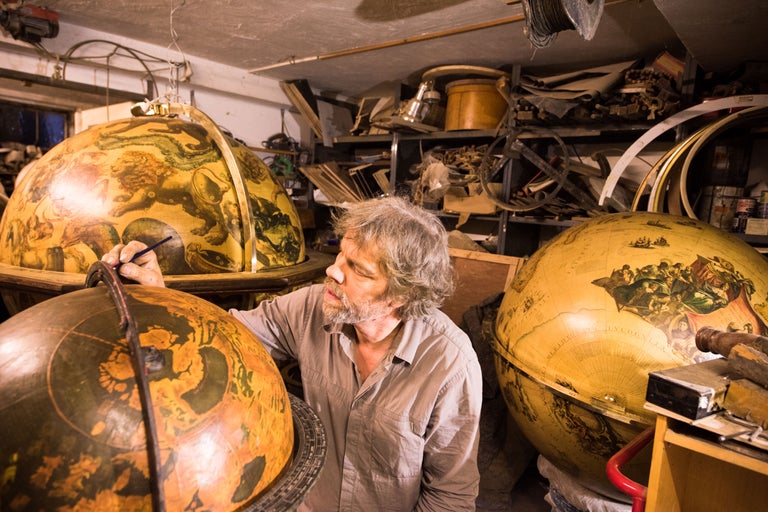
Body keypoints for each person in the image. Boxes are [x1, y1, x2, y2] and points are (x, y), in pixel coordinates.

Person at [103, 195, 483, 511]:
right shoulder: (311, 308)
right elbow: (220, 333)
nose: (333, 272)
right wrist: (157, 289)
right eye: (340, 255)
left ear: (402, 294)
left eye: (358, 270)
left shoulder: (449, 363)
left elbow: (450, 495)